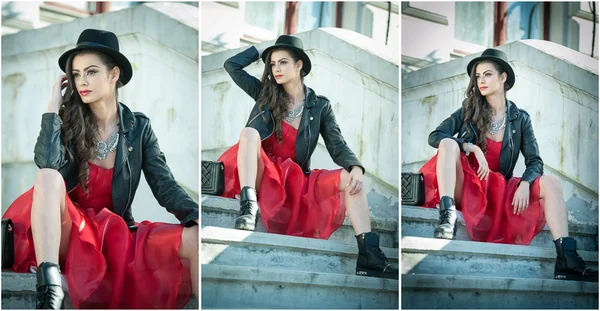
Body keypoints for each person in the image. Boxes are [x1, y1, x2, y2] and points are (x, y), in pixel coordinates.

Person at [2, 29, 199, 309]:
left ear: (114, 74)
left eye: (91, 72)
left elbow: (164, 185)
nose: (82, 81)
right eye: (77, 74)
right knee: (47, 177)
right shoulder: (66, 122)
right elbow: (47, 165)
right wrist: (51, 110)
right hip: (66, 232)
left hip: (113, 234)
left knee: (194, 235)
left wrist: (195, 216)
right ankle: (50, 286)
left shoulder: (139, 128)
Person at [216, 35, 397, 280]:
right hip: (261, 171)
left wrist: (356, 168)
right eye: (272, 64)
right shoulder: (264, 94)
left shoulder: (320, 106)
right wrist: (262, 49)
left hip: (295, 179)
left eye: (283, 62)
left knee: (350, 180)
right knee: (249, 132)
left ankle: (369, 255)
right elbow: (231, 65)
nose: (276, 69)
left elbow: (337, 144)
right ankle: (248, 208)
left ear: (299, 65)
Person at [419, 48, 597, 283]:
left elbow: (535, 161)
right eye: (478, 76)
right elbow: (435, 136)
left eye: (488, 75)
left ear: (503, 78)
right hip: (468, 186)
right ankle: (447, 216)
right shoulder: (469, 110)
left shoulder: (520, 118)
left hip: (498, 192)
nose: (481, 81)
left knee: (551, 183)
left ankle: (567, 258)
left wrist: (525, 183)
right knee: (448, 144)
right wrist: (469, 147)